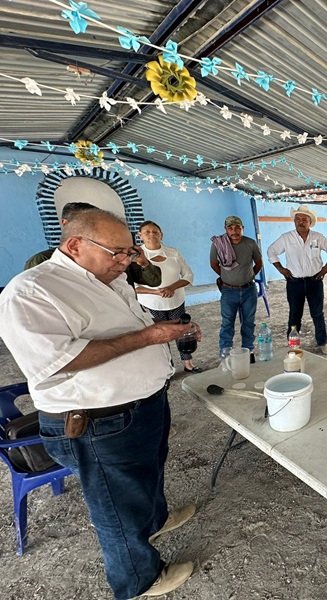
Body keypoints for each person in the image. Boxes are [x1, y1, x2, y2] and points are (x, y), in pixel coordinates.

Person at [0, 209, 196, 599]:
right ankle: (138, 580)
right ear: (75, 245)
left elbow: (129, 328)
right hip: (98, 423)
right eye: (117, 252)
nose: (126, 261)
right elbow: (59, 361)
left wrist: (165, 333)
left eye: (130, 251)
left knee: (149, 473)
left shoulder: (111, 278)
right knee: (116, 506)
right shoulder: (31, 291)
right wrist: (150, 337)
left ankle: (155, 520)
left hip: (143, 406)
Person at [25, 201, 162, 288]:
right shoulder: (42, 263)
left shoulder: (123, 256)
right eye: (84, 223)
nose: (125, 261)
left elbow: (153, 281)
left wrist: (144, 263)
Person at [267, 204, 327, 355]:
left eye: (304, 219)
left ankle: (322, 342)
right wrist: (281, 269)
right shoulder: (287, 238)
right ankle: (293, 344)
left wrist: (326, 268)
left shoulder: (317, 237)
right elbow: (271, 251)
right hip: (294, 282)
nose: (301, 222)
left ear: (310, 222)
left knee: (317, 313)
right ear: (294, 221)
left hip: (314, 282)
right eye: (298, 219)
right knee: (295, 314)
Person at [136, 220, 201, 373]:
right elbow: (132, 287)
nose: (151, 235)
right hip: (152, 305)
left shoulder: (173, 253)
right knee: (160, 336)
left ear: (161, 235)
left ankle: (188, 364)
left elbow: (188, 275)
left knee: (182, 332)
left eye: (155, 232)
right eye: (147, 232)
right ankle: (167, 368)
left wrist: (172, 288)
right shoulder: (136, 258)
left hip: (176, 302)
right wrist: (156, 292)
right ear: (140, 236)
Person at [211, 215, 263, 359]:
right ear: (226, 229)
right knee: (227, 323)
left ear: (242, 228)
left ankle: (248, 351)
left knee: (248, 322)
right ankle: (225, 355)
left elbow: (259, 262)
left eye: (237, 228)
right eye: (230, 228)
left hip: (249, 289)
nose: (234, 231)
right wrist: (227, 276)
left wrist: (249, 276)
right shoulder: (218, 244)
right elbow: (214, 264)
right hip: (228, 291)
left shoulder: (251, 243)